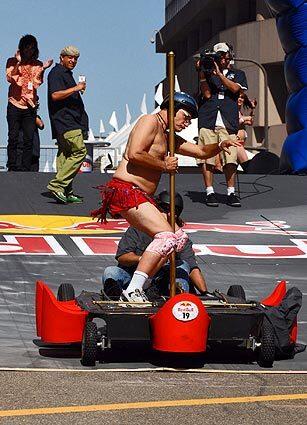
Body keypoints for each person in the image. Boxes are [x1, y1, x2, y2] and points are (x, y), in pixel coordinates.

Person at [92, 91, 240, 304]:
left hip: (140, 194)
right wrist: (164, 165)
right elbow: (134, 153)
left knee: (177, 240)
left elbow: (199, 151)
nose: (187, 123)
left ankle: (145, 285)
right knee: (166, 237)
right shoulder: (150, 121)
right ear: (171, 110)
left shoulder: (167, 136)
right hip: (127, 189)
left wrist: (219, 146)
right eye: (185, 117)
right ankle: (133, 288)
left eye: (190, 120)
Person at [102, 190, 208, 300]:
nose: (166, 214)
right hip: (133, 275)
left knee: (183, 266)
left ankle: (178, 295)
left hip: (162, 279)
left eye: (171, 211)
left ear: (176, 214)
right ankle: (115, 296)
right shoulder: (137, 229)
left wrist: (205, 293)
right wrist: (145, 260)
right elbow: (122, 257)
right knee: (111, 272)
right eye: (163, 210)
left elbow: (192, 268)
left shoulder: (179, 236)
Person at [196, 42, 248, 207]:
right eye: (219, 57)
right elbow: (206, 93)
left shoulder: (238, 74)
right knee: (206, 157)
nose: (223, 60)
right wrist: (203, 73)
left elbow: (235, 89)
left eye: (225, 56)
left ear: (230, 56)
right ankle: (209, 192)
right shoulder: (208, 73)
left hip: (228, 121)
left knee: (230, 157)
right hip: (208, 119)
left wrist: (220, 75)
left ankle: (231, 192)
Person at [47, 45, 88, 204]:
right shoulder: (57, 73)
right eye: (69, 57)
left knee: (65, 156)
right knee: (79, 152)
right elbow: (55, 95)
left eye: (75, 58)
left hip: (65, 123)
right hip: (66, 123)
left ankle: (66, 191)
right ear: (61, 57)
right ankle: (57, 185)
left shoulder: (64, 74)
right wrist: (76, 88)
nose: (73, 60)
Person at [6, 34, 53, 171]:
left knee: (29, 138)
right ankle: (12, 165)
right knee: (13, 136)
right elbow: (10, 78)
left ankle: (26, 168)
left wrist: (43, 68)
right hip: (15, 104)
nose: (29, 51)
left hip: (30, 106)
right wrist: (18, 63)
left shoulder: (37, 64)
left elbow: (36, 83)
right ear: (21, 48)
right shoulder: (11, 61)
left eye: (32, 48)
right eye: (27, 48)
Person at [237, 93, 257, 170]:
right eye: (238, 97)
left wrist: (252, 109)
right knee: (247, 166)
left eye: (242, 98)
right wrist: (245, 118)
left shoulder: (240, 112)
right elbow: (235, 122)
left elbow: (250, 122)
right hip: (236, 143)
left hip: (241, 144)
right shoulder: (232, 110)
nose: (240, 99)